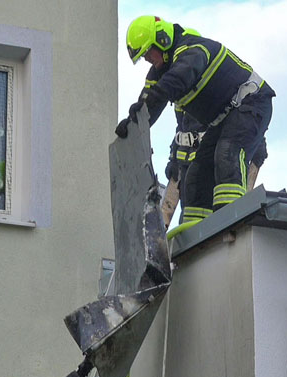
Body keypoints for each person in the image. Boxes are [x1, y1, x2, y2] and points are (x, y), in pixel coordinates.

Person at [117, 15, 275, 225]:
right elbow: (148, 106)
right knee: (196, 176)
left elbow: (180, 76)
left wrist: (154, 97)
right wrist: (131, 126)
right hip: (225, 118)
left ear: (162, 40)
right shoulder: (159, 73)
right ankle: (197, 242)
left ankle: (230, 225)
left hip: (252, 104)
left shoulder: (192, 49)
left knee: (227, 154)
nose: (148, 59)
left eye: (148, 52)